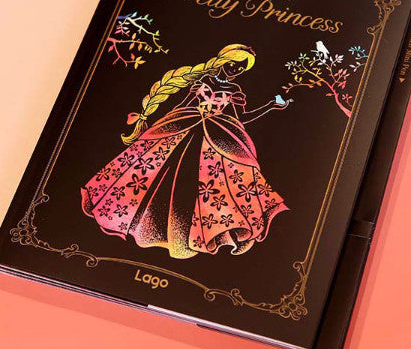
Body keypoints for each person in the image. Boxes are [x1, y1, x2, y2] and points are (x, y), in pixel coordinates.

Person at [81, 44, 291, 259]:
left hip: (214, 136)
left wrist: (270, 106)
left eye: (241, 68)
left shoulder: (234, 91)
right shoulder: (202, 81)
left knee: (208, 184)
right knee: (155, 171)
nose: (235, 70)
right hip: (185, 126)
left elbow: (241, 118)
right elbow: (182, 105)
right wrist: (164, 123)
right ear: (223, 60)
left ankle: (191, 232)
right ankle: (145, 221)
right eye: (233, 64)